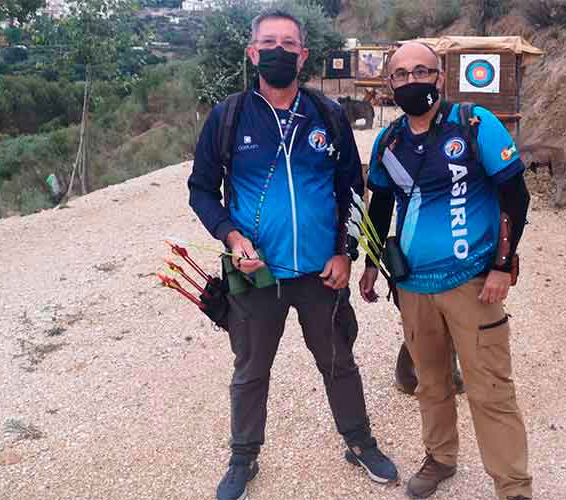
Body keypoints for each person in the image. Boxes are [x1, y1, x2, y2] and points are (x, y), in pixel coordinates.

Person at [188, 10, 398, 500]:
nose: (278, 51)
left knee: (338, 361)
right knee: (250, 369)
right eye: (268, 42)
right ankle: (243, 458)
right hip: (256, 276)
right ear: (252, 52)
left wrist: (345, 253)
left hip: (320, 274)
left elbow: (351, 190)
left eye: (289, 43)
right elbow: (201, 190)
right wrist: (231, 237)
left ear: (304, 55)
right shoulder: (229, 116)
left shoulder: (327, 115)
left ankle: (360, 442)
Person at [359, 42, 533, 500]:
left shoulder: (474, 124)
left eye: (421, 71)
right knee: (431, 384)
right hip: (413, 288)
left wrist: (501, 265)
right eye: (400, 74)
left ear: (439, 77)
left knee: (490, 389)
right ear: (390, 84)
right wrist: (372, 264)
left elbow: (516, 195)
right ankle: (440, 457)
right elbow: (379, 205)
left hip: (473, 283)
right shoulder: (388, 142)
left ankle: (513, 487)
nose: (411, 81)